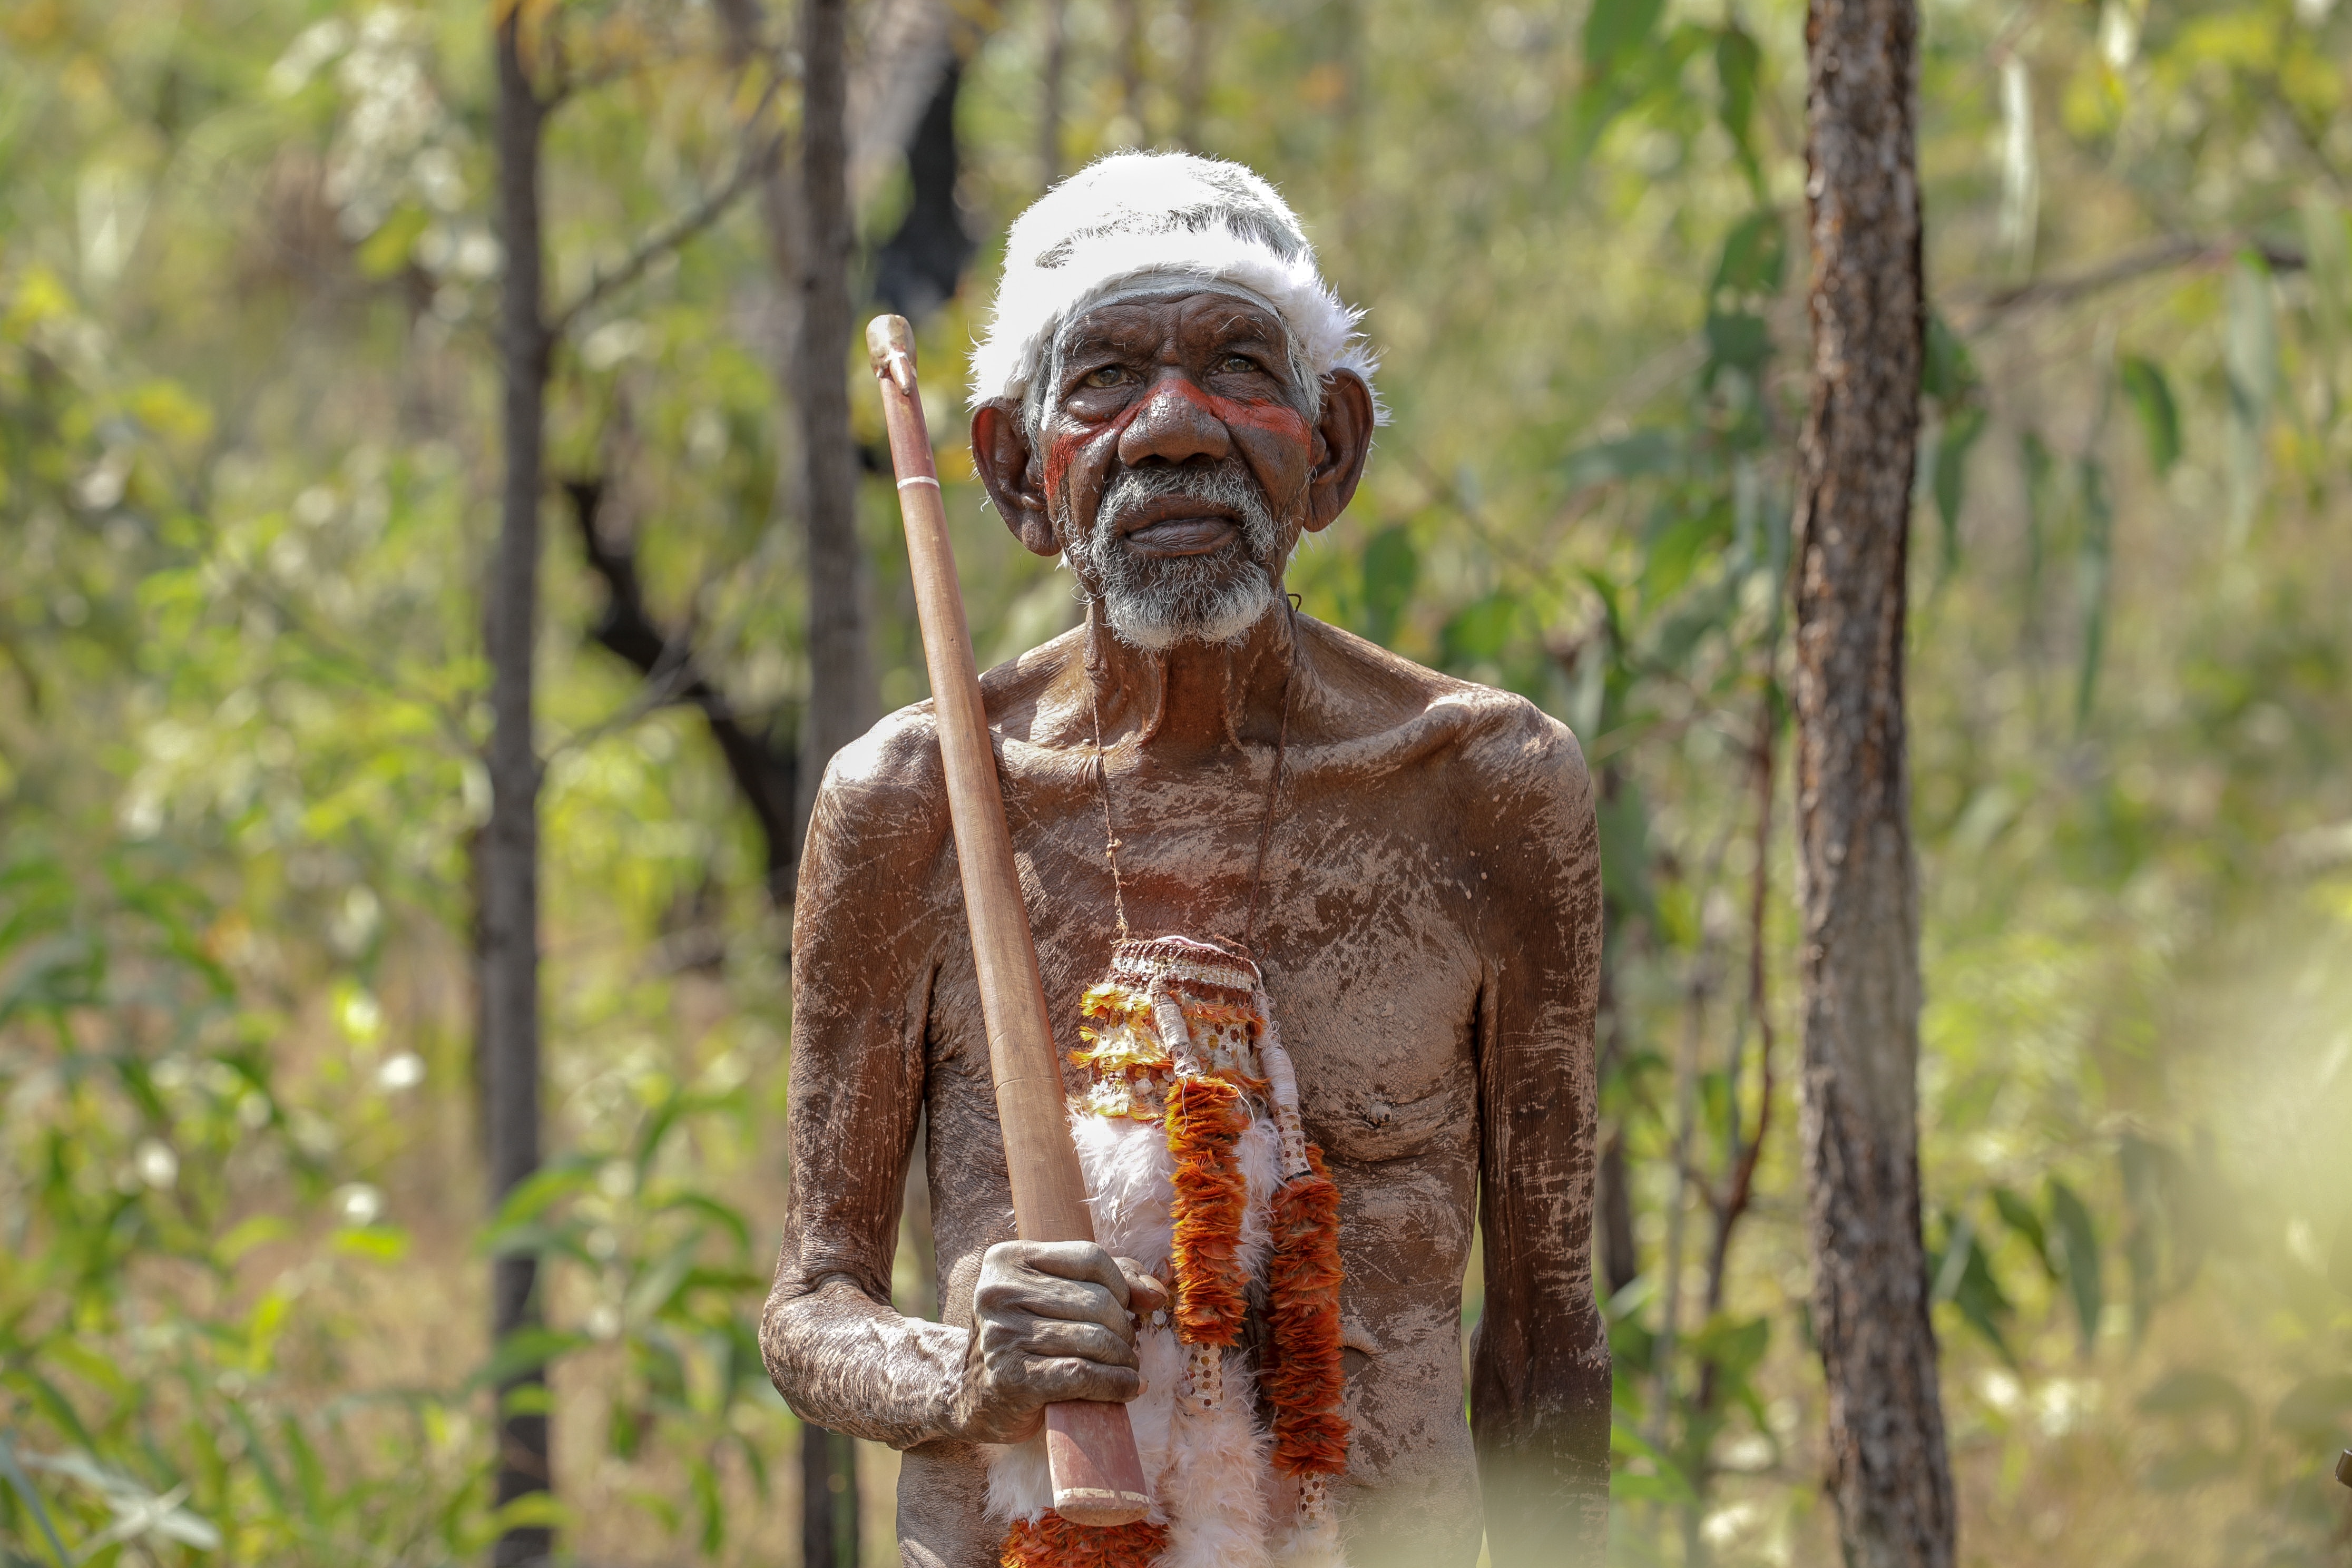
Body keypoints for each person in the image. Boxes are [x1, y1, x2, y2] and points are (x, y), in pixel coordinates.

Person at [761, 151, 1608, 1568]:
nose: (1172, 430)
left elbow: (1548, 1338)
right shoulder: (908, 801)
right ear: (1017, 476)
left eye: (1235, 366)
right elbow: (809, 1306)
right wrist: (961, 1381)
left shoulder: (1487, 792)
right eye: (1102, 381)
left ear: (1328, 446)